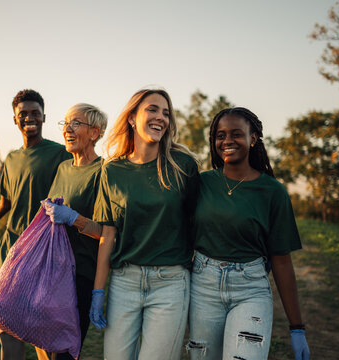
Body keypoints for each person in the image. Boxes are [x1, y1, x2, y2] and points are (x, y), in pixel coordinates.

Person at [188, 107, 310, 360]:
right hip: (203, 287)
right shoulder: (202, 183)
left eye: (236, 134)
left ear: (253, 138)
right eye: (220, 135)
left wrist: (296, 327)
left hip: (251, 290)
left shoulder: (272, 192)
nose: (227, 141)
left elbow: (281, 260)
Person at [0, 89, 72, 360]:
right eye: (23, 114)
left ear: (44, 116)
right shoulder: (10, 158)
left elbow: (72, 197)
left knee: (40, 328)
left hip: (43, 252)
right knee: (6, 324)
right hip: (11, 248)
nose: (29, 118)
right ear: (15, 120)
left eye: (35, 113)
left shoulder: (59, 154)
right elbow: (4, 203)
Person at [89, 88, 200, 360]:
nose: (161, 117)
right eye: (152, 109)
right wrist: (98, 290)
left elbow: (200, 223)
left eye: (166, 112)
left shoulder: (183, 166)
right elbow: (108, 234)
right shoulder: (112, 170)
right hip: (125, 282)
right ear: (131, 118)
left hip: (171, 283)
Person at [40, 103, 108, 360]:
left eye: (75, 123)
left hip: (80, 275)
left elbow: (105, 232)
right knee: (48, 349)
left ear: (94, 133)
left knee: (65, 354)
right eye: (65, 123)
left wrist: (73, 218)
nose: (67, 129)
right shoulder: (64, 168)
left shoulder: (103, 172)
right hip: (53, 272)